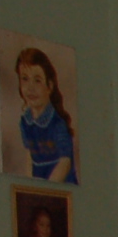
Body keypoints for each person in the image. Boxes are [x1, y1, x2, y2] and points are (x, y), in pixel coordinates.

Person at [14, 47, 77, 183]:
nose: (30, 88)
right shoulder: (25, 122)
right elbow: (29, 157)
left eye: (37, 80)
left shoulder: (57, 124)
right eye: (25, 79)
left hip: (60, 185)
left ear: (49, 86)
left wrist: (47, 188)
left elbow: (65, 163)